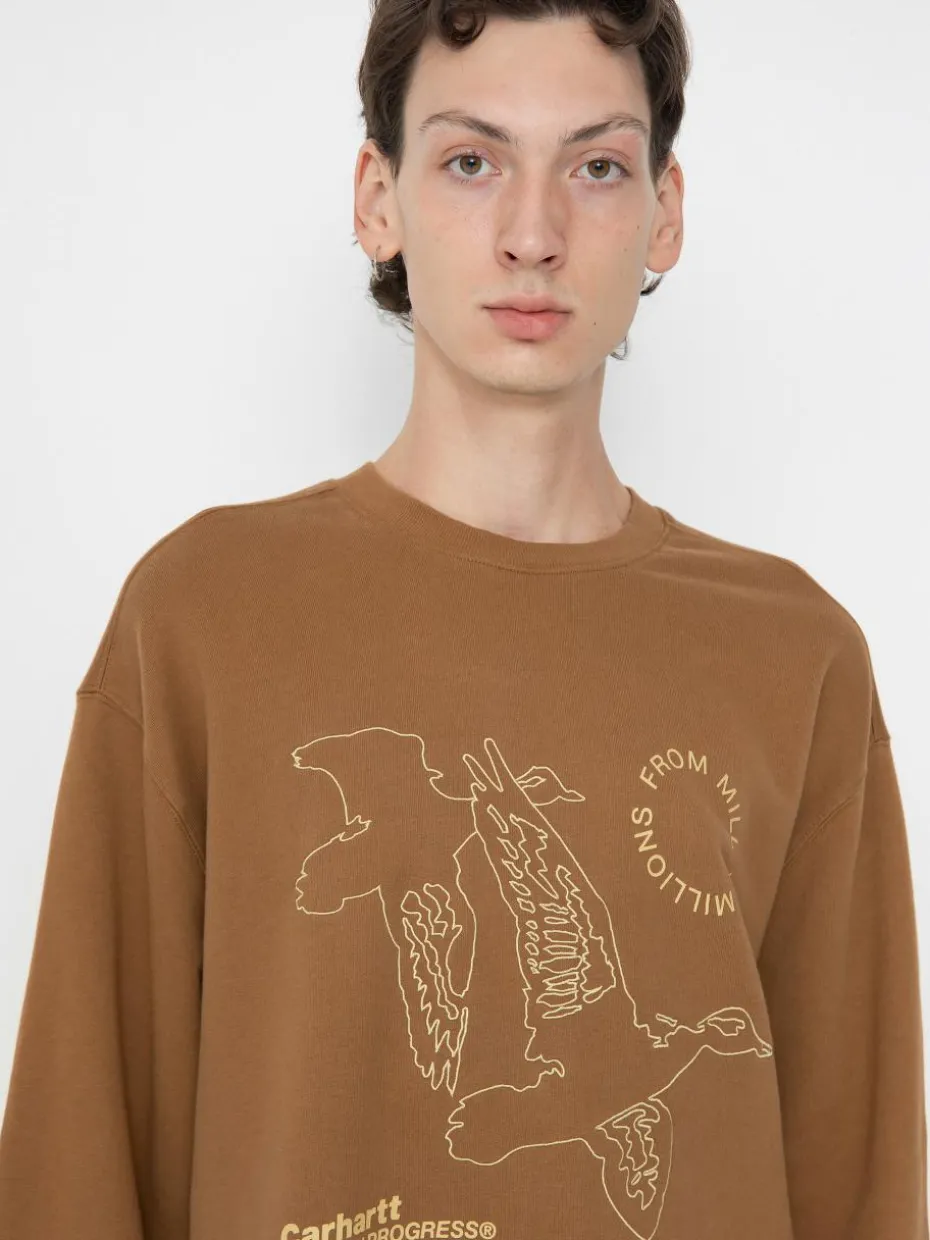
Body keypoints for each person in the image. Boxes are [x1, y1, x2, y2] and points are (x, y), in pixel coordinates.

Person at [1, 1, 927, 1237]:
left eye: (597, 167)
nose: (532, 235)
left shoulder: (797, 656)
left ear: (665, 213)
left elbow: (863, 1182)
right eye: (472, 160)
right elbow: (77, 1153)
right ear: (377, 198)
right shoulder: (202, 618)